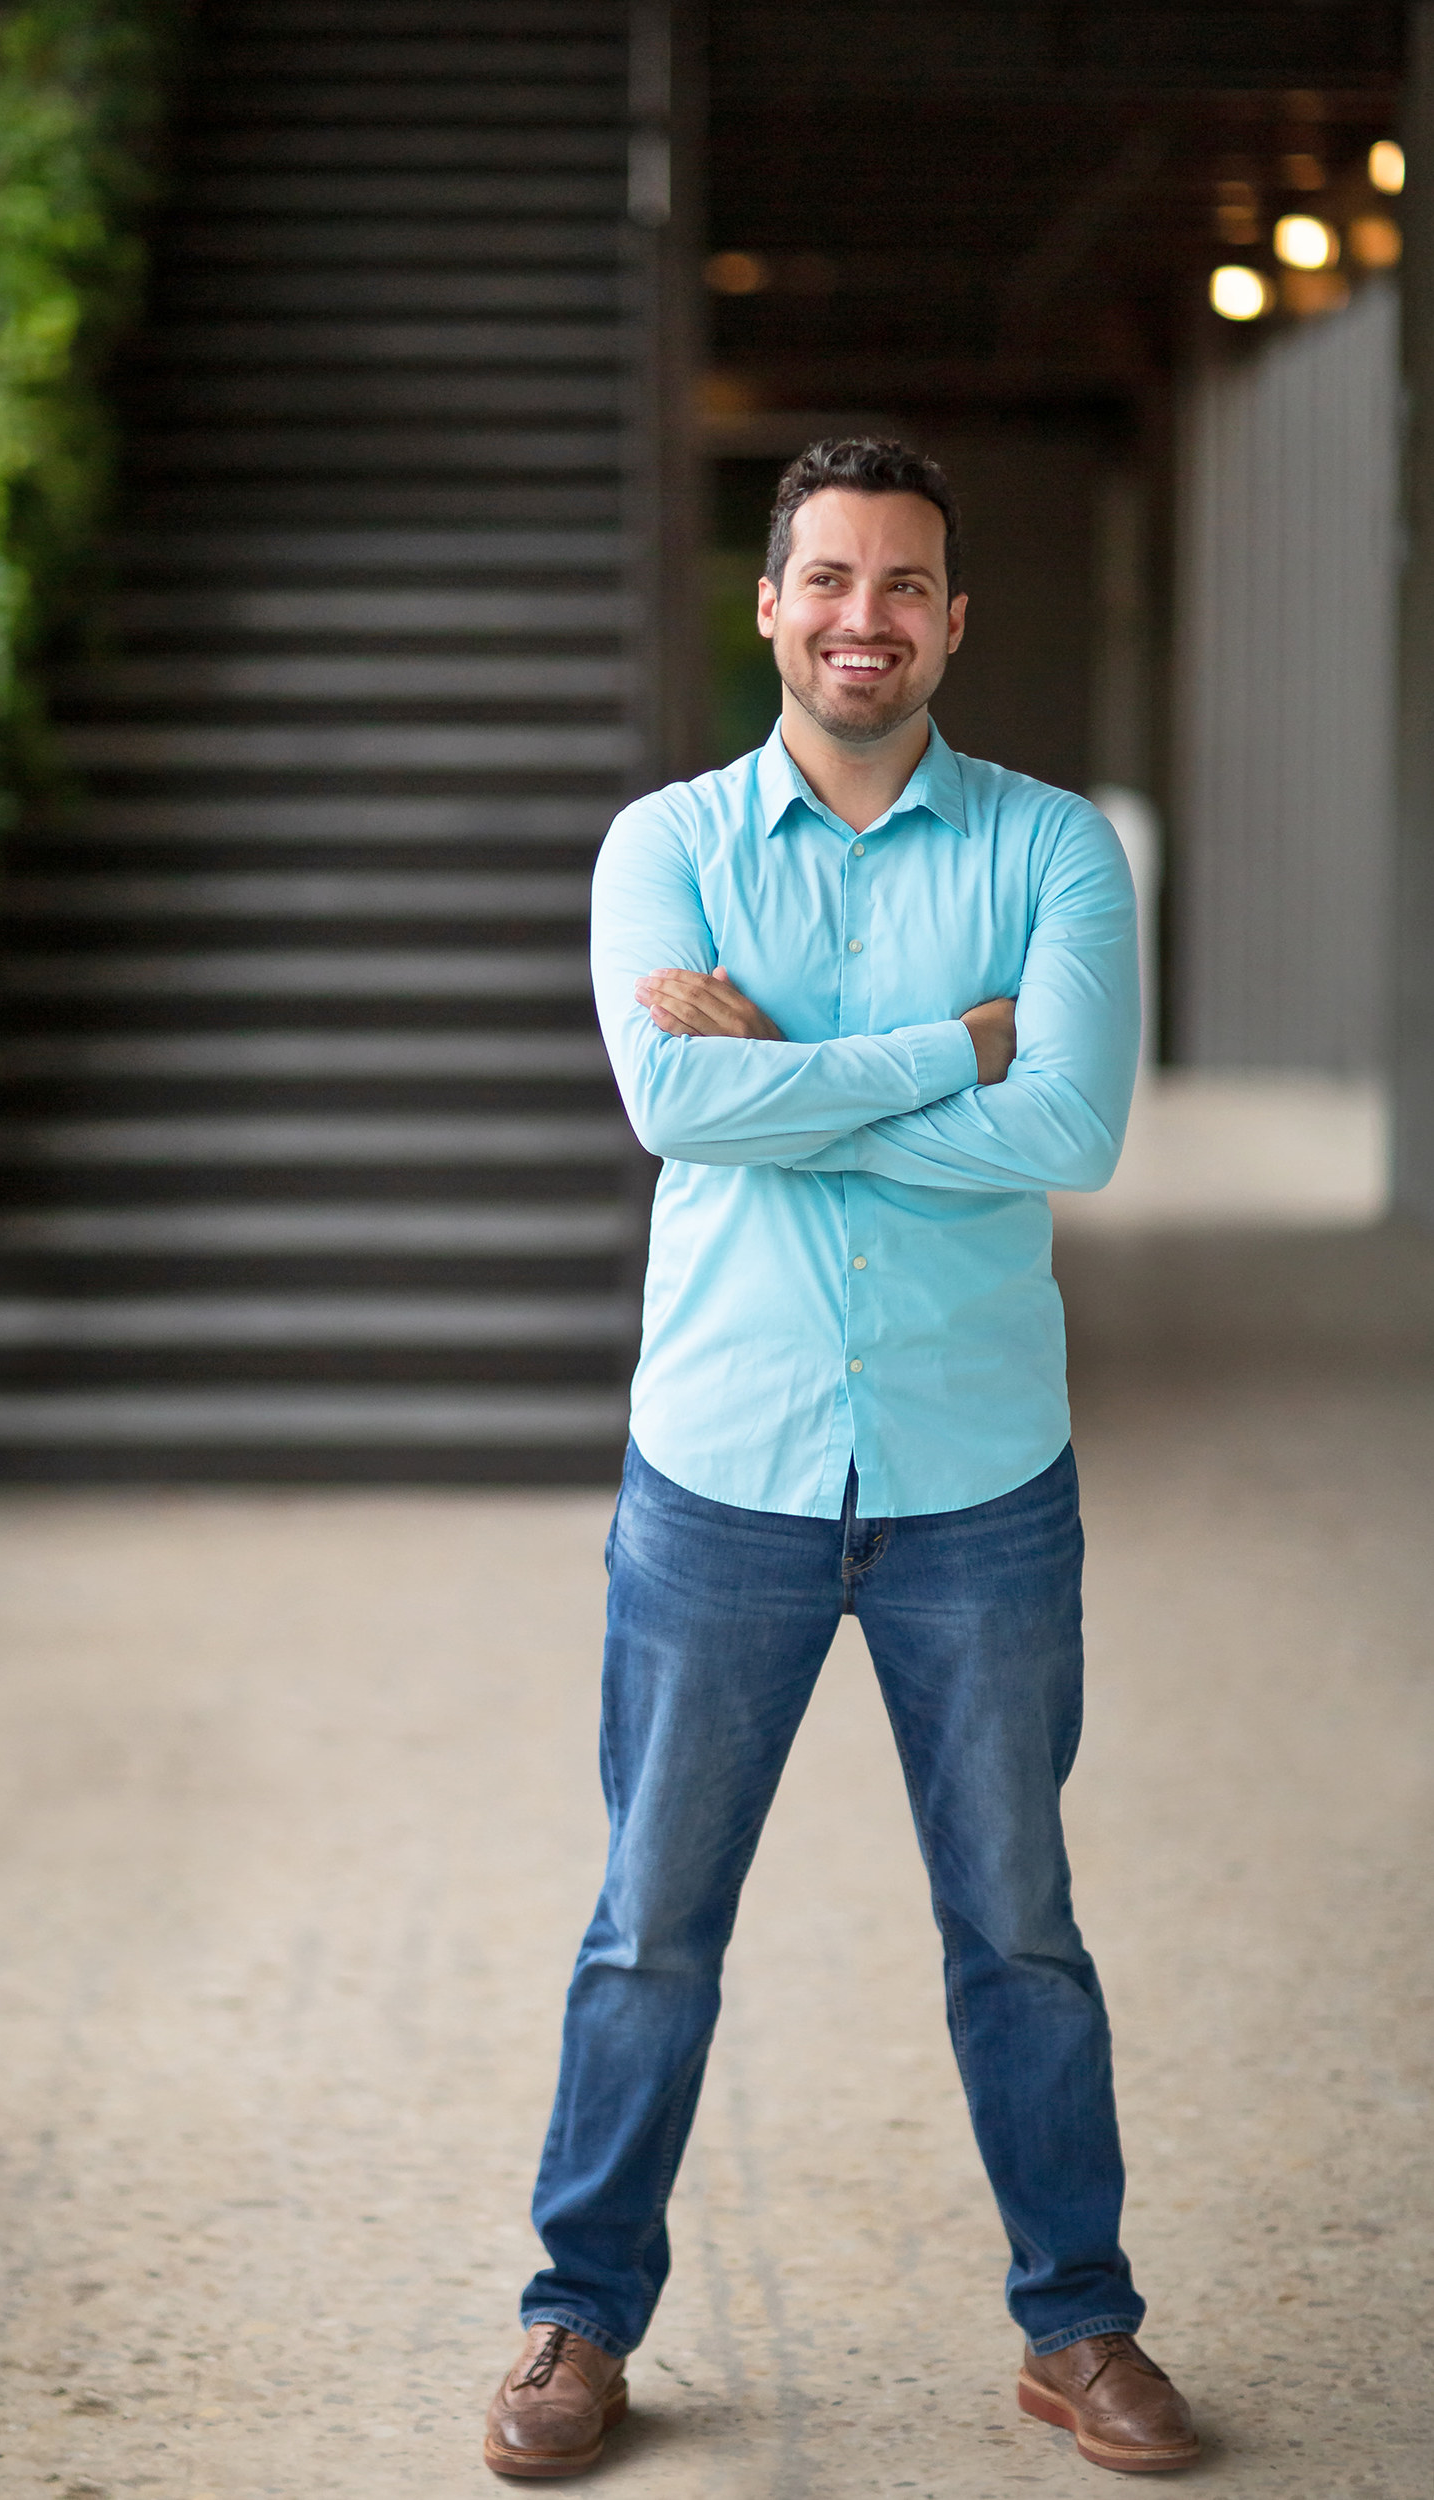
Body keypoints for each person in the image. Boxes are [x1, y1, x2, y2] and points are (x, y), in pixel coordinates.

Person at [483, 438, 1199, 2480]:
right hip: (722, 1476)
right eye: (829, 580)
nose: (864, 615)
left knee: (1022, 1930)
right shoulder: (667, 845)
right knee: (651, 1924)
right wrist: (949, 1048)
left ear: (954, 619)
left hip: (983, 1480)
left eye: (905, 583)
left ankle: (1082, 2326)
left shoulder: (1058, 852)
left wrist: (776, 1079)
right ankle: (577, 2313)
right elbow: (668, 1103)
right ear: (772, 606)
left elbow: (1072, 1137)